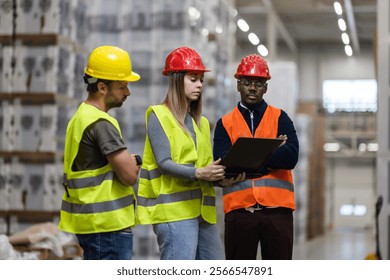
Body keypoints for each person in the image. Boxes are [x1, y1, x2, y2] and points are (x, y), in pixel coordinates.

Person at [137, 46, 225, 260]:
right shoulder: (159, 115)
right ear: (177, 79)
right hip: (174, 213)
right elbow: (164, 163)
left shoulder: (201, 123)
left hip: (202, 213)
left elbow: (203, 166)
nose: (200, 85)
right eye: (193, 79)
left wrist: (220, 179)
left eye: (201, 80)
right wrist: (199, 173)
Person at [58, 46, 142, 260]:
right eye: (122, 86)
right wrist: (134, 163)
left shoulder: (80, 116)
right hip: (108, 227)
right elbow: (129, 175)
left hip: (92, 225)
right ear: (102, 87)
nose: (128, 92)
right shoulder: (101, 123)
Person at [213, 54, 299, 260]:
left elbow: (291, 157)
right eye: (247, 82)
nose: (252, 88)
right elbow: (226, 164)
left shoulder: (281, 117)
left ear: (266, 87)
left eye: (259, 83)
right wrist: (271, 149)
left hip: (278, 212)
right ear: (238, 85)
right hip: (239, 212)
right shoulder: (224, 124)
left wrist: (247, 156)